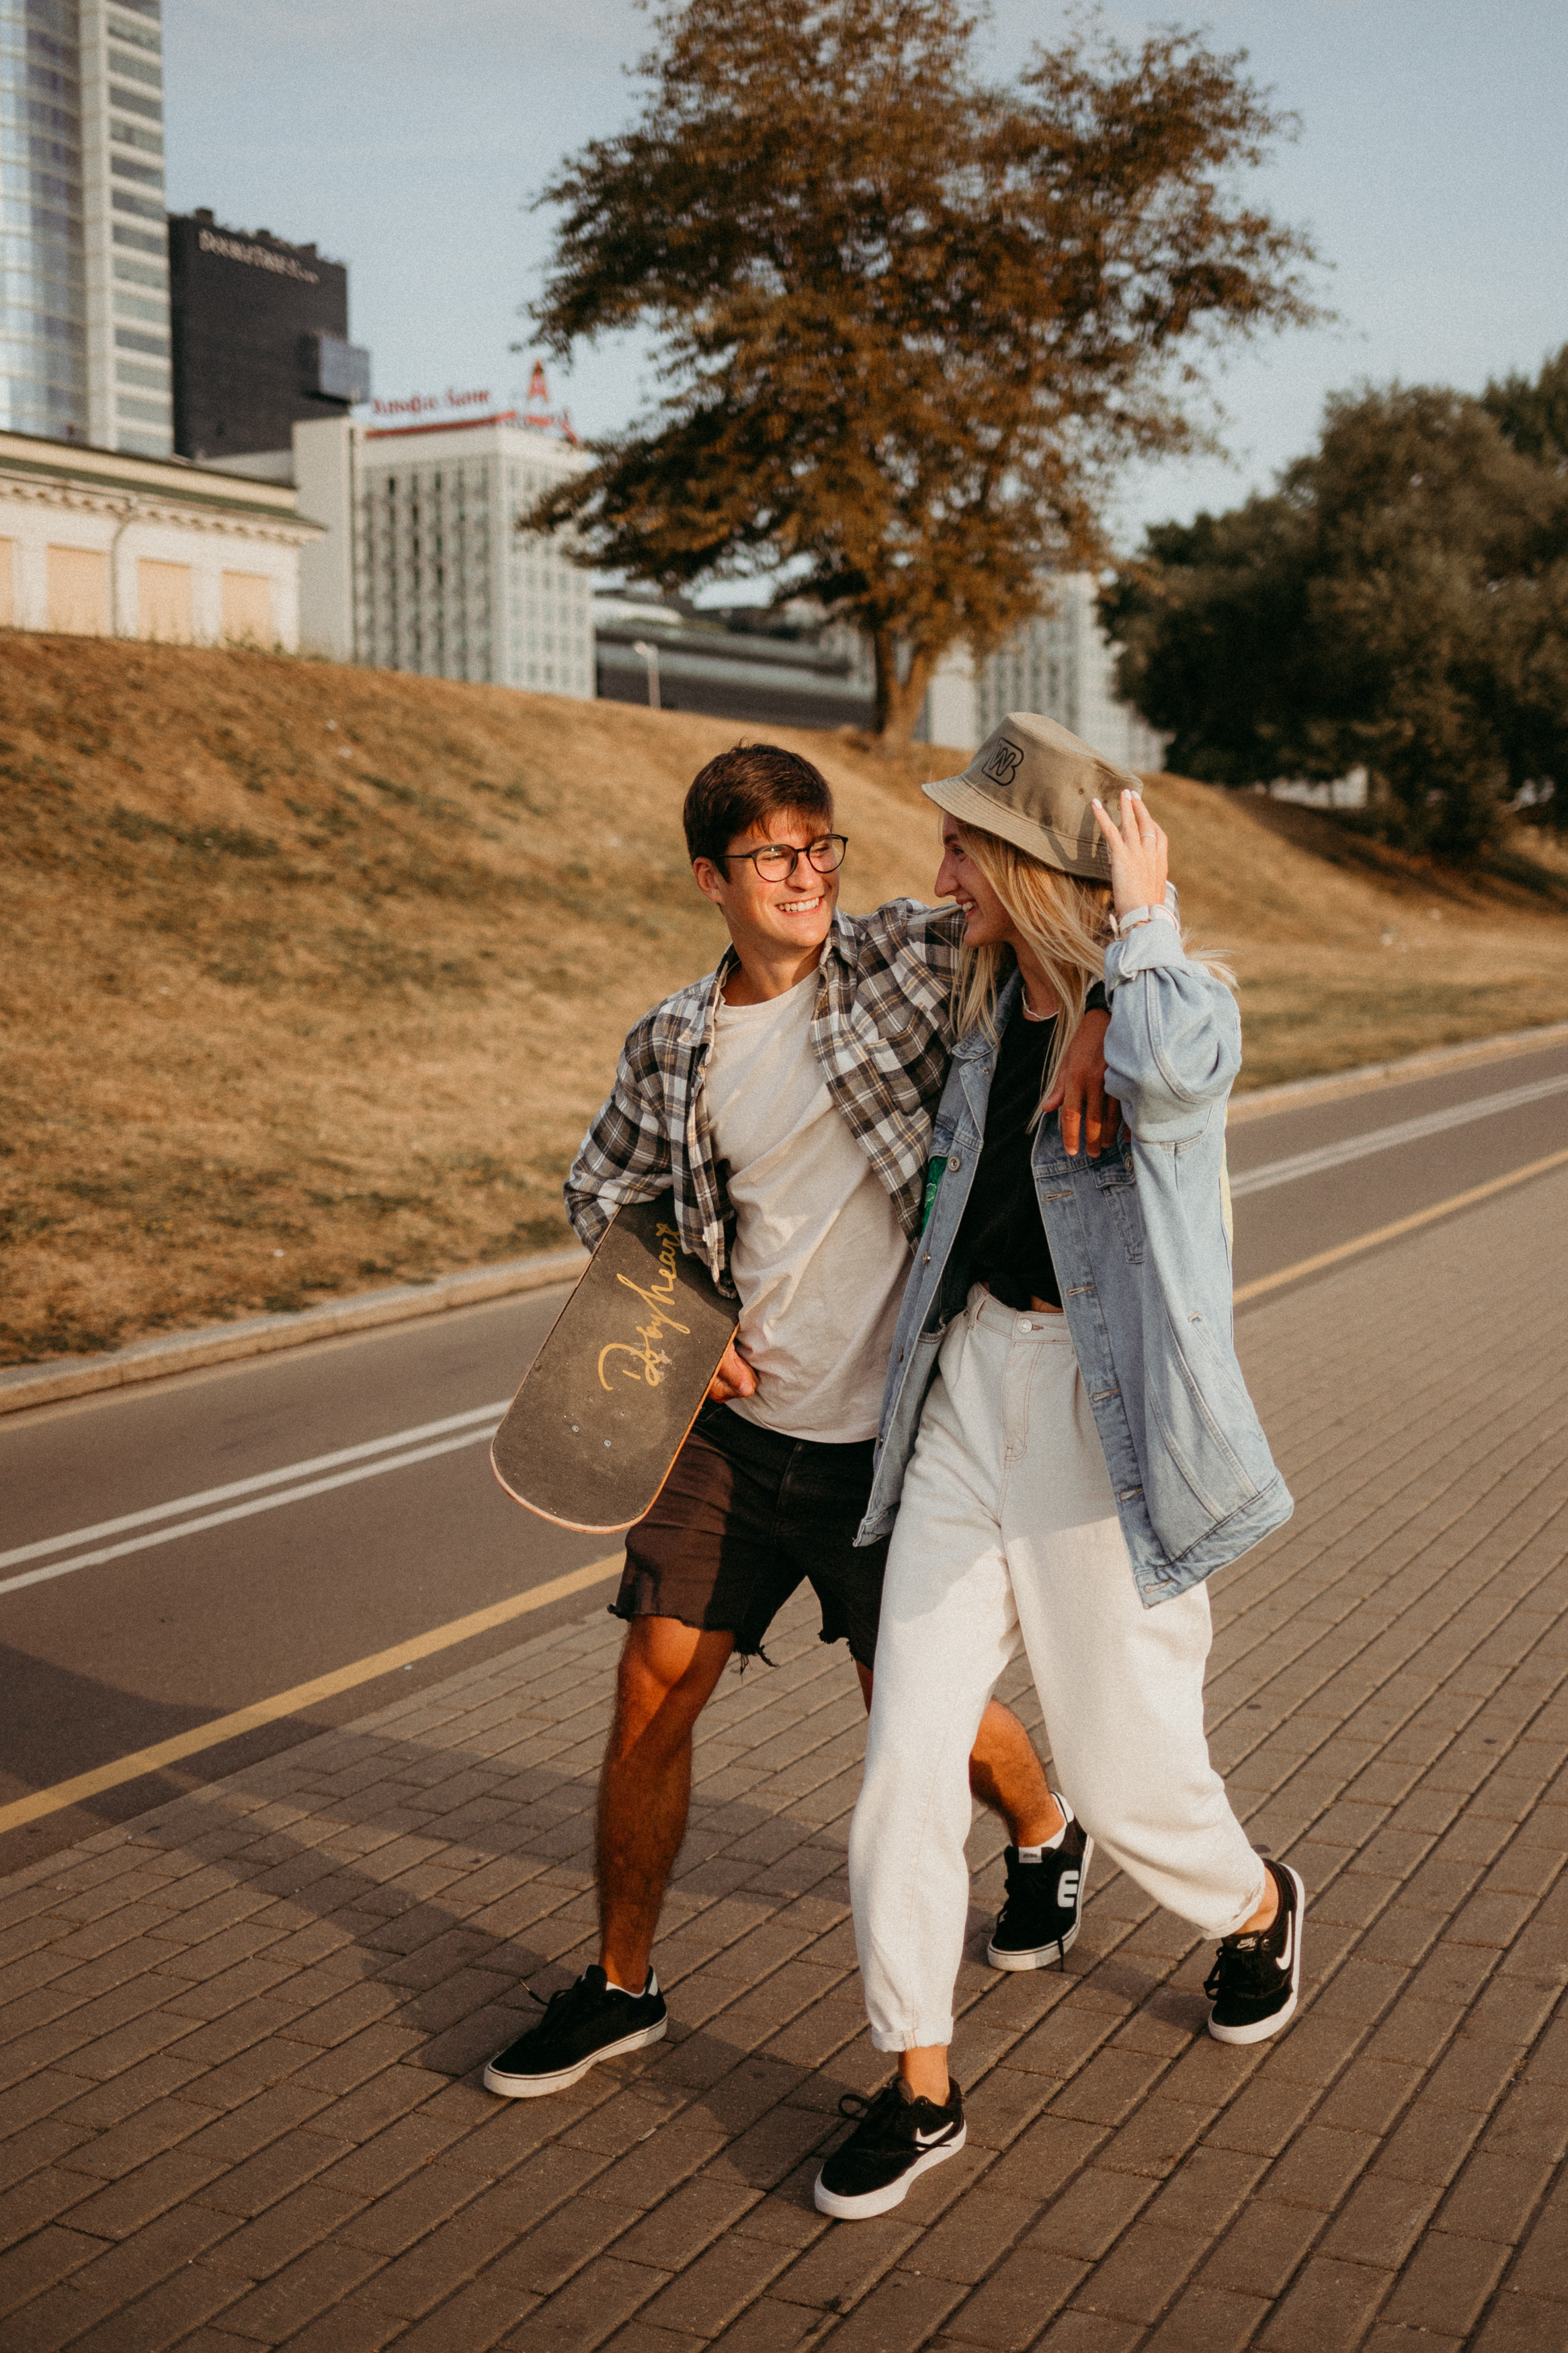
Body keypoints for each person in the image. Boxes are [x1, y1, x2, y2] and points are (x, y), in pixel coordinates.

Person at [482, 740, 1120, 2101]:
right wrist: (668, 1310)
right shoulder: (670, 1042)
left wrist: (1111, 1012)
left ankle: (1046, 1824)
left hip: (892, 1436)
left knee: (920, 1714)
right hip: (736, 1433)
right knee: (654, 1684)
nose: (806, 876)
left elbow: (1070, 918)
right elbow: (601, 1192)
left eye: (822, 846)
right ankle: (619, 1983)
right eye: (774, 854)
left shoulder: (896, 957)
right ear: (713, 876)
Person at [815, 713, 1300, 2223]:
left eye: (965, 844)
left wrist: (1135, 929)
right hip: (974, 1391)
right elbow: (835, 953)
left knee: (1120, 1767)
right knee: (904, 1760)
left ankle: (1257, 1906)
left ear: (1032, 867)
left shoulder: (1168, 1001)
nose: (938, 865)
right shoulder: (978, 1005)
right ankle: (918, 2080)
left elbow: (1178, 1076)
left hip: (1103, 1418)